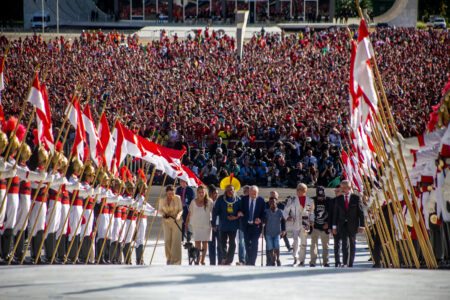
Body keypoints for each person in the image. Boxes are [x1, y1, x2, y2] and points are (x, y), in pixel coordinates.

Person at [332, 180, 365, 268]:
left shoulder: (356, 198)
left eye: (344, 187)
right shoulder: (338, 199)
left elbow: (361, 213)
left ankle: (350, 263)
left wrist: (362, 225)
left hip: (353, 224)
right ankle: (345, 262)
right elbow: (335, 214)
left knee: (352, 243)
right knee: (344, 244)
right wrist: (334, 227)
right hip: (342, 225)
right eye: (341, 187)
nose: (342, 189)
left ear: (349, 188)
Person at [283, 183, 315, 266]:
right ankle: (295, 258)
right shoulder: (292, 200)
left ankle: (302, 260)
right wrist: (288, 217)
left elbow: (311, 213)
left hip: (305, 224)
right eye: (297, 189)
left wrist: (311, 220)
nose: (297, 191)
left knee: (304, 243)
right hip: (295, 223)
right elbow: (285, 211)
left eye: (299, 189)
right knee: (295, 241)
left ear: (304, 191)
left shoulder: (310, 201)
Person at [212, 184, 241, 265]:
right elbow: (215, 212)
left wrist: (235, 217)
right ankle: (224, 257)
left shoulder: (238, 199)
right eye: (228, 190)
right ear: (225, 191)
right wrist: (213, 224)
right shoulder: (221, 199)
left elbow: (241, 211)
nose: (230, 191)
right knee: (222, 243)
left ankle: (229, 259)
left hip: (233, 225)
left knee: (232, 243)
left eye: (231, 190)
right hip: (223, 225)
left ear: (234, 190)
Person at [185, 185, 213, 265]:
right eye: (199, 192)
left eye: (202, 192)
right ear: (197, 192)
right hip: (196, 225)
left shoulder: (210, 201)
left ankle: (202, 260)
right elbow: (189, 213)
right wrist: (186, 223)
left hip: (206, 225)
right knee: (197, 243)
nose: (201, 194)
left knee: (205, 243)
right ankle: (197, 259)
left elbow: (214, 213)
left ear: (205, 192)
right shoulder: (193, 202)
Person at [239, 185, 265, 266]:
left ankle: (252, 262)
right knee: (247, 244)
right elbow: (239, 209)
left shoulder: (261, 200)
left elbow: (264, 213)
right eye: (252, 193)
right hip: (246, 225)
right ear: (249, 192)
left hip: (256, 226)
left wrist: (260, 219)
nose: (254, 195)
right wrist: (239, 212)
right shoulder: (244, 199)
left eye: (255, 194)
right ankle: (249, 260)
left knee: (254, 243)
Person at [160, 185, 183, 265]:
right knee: (167, 240)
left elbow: (181, 210)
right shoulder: (162, 199)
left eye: (172, 194)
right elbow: (160, 210)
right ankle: (169, 258)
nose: (171, 196)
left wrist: (178, 216)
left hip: (176, 221)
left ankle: (176, 260)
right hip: (166, 222)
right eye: (169, 194)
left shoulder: (178, 198)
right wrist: (163, 214)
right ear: (166, 193)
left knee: (176, 241)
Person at [310, 186, 333, 267]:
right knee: (313, 245)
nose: (321, 198)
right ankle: (312, 262)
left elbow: (332, 214)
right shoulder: (312, 200)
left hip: (325, 227)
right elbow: (309, 212)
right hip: (315, 226)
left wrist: (328, 224)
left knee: (325, 246)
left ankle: (326, 262)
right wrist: (311, 222)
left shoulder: (329, 201)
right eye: (319, 197)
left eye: (322, 196)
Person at [264, 196, 286, 266]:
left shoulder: (280, 211)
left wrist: (283, 230)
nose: (272, 203)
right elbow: (264, 220)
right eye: (271, 202)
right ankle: (273, 259)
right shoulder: (266, 211)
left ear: (276, 202)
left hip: (277, 232)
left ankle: (278, 259)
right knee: (270, 248)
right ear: (269, 203)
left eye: (274, 201)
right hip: (268, 232)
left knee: (276, 246)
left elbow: (283, 221)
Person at [207, 185, 222, 265]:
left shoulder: (220, 202)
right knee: (211, 246)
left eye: (217, 193)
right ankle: (212, 263)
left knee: (220, 246)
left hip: (219, 226)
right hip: (210, 226)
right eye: (214, 193)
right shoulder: (208, 202)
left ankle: (220, 262)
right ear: (210, 194)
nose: (216, 195)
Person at [237, 185, 249, 265]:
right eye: (245, 191)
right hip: (241, 224)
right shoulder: (240, 200)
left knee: (247, 242)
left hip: (249, 225)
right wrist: (238, 212)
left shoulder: (252, 200)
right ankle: (242, 260)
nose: (246, 193)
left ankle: (248, 259)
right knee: (241, 242)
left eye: (247, 191)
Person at [331, 184, 342, 267]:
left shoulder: (346, 200)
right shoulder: (333, 201)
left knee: (346, 244)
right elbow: (330, 214)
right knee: (336, 244)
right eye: (335, 191)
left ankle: (346, 261)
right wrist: (331, 226)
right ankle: (337, 261)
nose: (336, 192)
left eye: (337, 191)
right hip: (335, 226)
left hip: (345, 226)